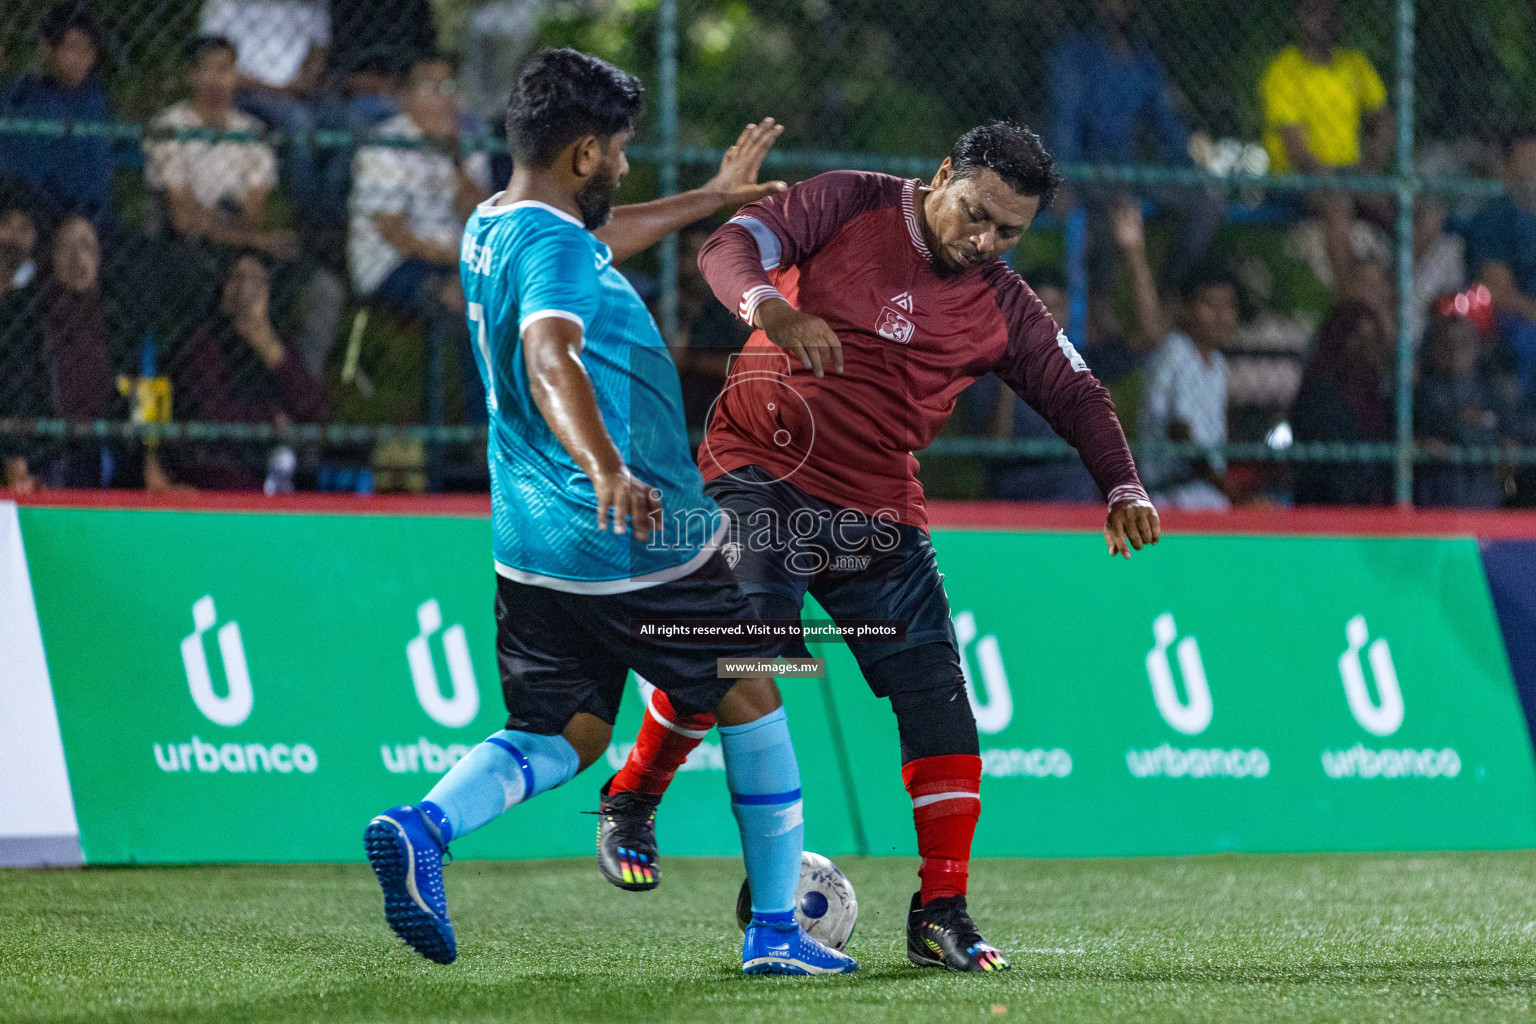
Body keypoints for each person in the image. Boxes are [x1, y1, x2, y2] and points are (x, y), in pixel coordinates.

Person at [601, 121, 1159, 972]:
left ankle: (942, 913)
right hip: (759, 471)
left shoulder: (1003, 302)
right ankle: (635, 792)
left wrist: (1121, 483)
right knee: (747, 661)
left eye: (1008, 232)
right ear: (941, 174)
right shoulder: (849, 201)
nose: (985, 241)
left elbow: (1076, 392)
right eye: (975, 214)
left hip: (878, 511)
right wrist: (771, 307)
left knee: (938, 697)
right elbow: (729, 246)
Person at [364, 48, 857, 976]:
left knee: (568, 732)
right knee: (754, 696)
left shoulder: (495, 221)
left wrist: (711, 198)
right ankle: (776, 935)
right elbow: (552, 352)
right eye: (620, 152)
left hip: (530, 542)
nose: (626, 168)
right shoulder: (551, 243)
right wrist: (604, 467)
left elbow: (596, 242)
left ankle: (423, 826)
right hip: (627, 534)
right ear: (586, 154)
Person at [348, 53, 492, 422]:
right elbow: (394, 232)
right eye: (432, 87)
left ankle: (512, 432)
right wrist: (458, 263)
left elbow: (481, 216)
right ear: (407, 96)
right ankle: (472, 439)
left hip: (454, 259)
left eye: (449, 87)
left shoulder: (464, 141)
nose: (444, 97)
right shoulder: (385, 144)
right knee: (458, 298)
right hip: (390, 262)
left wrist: (456, 160)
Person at [1047, 0, 1222, 295]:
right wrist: (1064, 180)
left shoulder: (1144, 61)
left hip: (1131, 173)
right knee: (1116, 209)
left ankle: (1168, 297)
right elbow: (1065, 121)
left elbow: (1168, 128)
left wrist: (1192, 174)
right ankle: (1096, 309)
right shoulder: (1072, 55)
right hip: (1088, 171)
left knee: (1209, 201)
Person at [160, 252, 330, 490]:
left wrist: (269, 348)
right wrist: (271, 419)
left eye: (256, 279)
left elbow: (313, 409)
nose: (245, 289)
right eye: (236, 278)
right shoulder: (202, 343)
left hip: (274, 472)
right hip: (217, 471)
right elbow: (213, 413)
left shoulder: (280, 344)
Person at [1260, 0, 1392, 288]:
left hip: (1350, 175)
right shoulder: (1284, 70)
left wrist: (1371, 165)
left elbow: (1384, 120)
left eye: (1331, 11)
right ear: (1300, 17)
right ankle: (1349, 307)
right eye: (1313, 10)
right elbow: (1297, 151)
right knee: (1339, 202)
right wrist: (1341, 179)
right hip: (1294, 179)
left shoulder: (1355, 64)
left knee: (1420, 210)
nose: (1323, 19)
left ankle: (1390, 299)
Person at [199, 0, 331, 223]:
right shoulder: (225, 4)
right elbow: (211, 60)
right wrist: (274, 89)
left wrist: (304, 82)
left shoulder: (310, 5)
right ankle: (311, 220)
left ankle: (333, 218)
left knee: (353, 125)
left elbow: (319, 51)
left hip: (299, 94)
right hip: (245, 92)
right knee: (300, 125)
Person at [1138, 258, 1241, 511]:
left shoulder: (1217, 363)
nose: (1221, 317)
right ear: (1185, 309)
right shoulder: (1176, 352)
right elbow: (1179, 431)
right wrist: (1223, 484)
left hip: (1206, 494)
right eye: (1209, 305)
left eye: (1228, 306)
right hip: (1171, 496)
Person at [0, 3, 115, 225]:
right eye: (72, 48)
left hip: (90, 217)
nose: (81, 59)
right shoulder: (21, 96)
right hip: (37, 214)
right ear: (47, 49)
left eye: (88, 49)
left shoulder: (95, 99)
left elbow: (98, 175)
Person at [1290, 299, 1394, 505]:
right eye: (1358, 338)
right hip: (1327, 500)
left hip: (1371, 500)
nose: (1366, 348)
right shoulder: (1319, 393)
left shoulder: (1379, 393)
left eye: (1372, 340)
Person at [1414, 304, 1515, 508]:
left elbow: (1511, 429)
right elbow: (1436, 428)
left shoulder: (1489, 390)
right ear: (1433, 348)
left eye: (1463, 343)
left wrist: (1497, 438)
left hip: (1483, 496)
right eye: (1446, 344)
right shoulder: (1422, 392)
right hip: (1438, 496)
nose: (1454, 352)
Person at [1466, 124, 1536, 399]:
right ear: (1507, 167)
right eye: (1528, 161)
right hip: (1516, 319)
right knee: (1525, 340)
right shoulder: (1495, 218)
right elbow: (1495, 289)